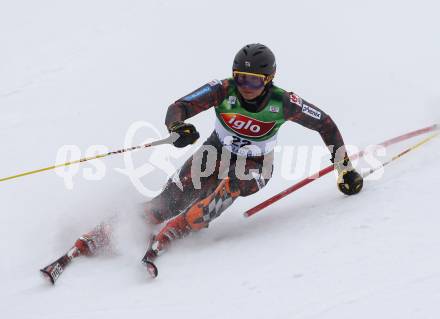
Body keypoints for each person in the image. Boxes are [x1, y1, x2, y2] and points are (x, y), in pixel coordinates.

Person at [70, 44, 364, 272]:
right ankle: (102, 232)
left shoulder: (283, 102)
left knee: (228, 187)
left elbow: (324, 123)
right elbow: (179, 106)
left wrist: (344, 167)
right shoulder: (223, 90)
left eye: (254, 81)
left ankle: (183, 225)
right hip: (214, 152)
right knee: (162, 205)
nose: (246, 88)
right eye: (241, 79)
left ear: (269, 80)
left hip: (256, 165)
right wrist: (177, 127)